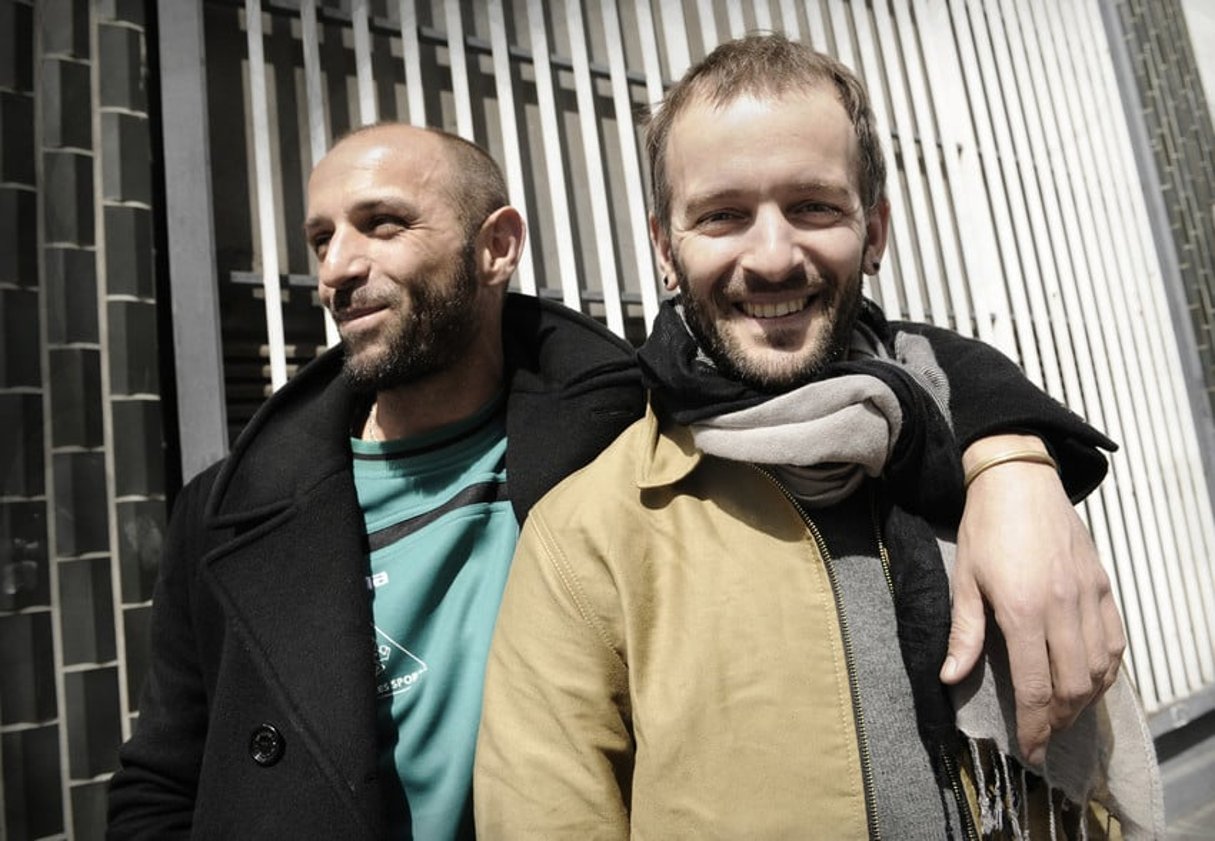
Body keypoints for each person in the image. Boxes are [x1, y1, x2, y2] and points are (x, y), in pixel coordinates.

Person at [109, 120, 1124, 839]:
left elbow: (846, 356)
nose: (337, 267)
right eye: (321, 237)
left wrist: (1013, 457)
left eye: (382, 223)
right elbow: (159, 784)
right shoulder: (231, 508)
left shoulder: (618, 426)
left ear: (497, 245)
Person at [474, 36, 1161, 839]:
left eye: (813, 207)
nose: (771, 256)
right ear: (666, 250)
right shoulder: (586, 537)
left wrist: (1013, 458)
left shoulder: (982, 459)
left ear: (872, 231)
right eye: (723, 214)